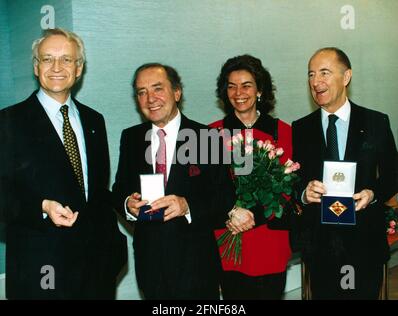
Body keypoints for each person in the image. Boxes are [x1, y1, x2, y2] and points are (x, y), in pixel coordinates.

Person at [0, 28, 127, 299]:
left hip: (96, 270)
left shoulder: (94, 121)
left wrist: (127, 205)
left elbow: (95, 192)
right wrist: (42, 207)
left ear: (79, 69)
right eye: (47, 59)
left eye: (67, 60)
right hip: (41, 270)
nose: (57, 67)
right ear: (36, 67)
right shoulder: (8, 121)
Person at [112, 63, 253, 299]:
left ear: (177, 92)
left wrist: (187, 205)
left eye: (158, 89)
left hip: (196, 264)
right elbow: (119, 190)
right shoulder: (132, 138)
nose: (150, 99)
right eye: (141, 92)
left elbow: (224, 198)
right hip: (150, 264)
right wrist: (128, 203)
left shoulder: (205, 138)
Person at [292, 47, 398, 299]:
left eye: (325, 73)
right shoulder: (300, 128)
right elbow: (291, 182)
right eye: (311, 74)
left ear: (346, 76)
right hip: (320, 247)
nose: (316, 82)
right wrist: (304, 194)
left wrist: (372, 194)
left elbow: (394, 175)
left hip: (365, 243)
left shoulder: (376, 122)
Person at [209, 54, 293, 300]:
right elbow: (208, 188)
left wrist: (253, 215)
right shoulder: (212, 133)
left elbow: (287, 189)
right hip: (229, 237)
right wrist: (232, 212)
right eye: (231, 86)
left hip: (270, 239)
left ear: (260, 90)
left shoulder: (284, 132)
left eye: (246, 85)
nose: (238, 92)